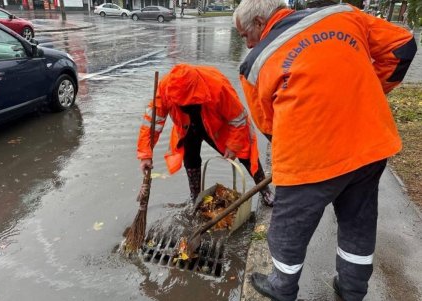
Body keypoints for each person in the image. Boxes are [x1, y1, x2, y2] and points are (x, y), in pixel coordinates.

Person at [233, 1, 417, 300]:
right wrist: (367, 92)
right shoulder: (343, 15)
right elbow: (403, 47)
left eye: (244, 35)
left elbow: (270, 126)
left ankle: (282, 288)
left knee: (287, 230)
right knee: (358, 222)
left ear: (258, 21)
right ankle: (351, 290)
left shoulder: (254, 64)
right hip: (369, 147)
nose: (247, 42)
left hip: (308, 160)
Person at [137, 63, 274, 205]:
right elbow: (152, 123)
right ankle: (195, 197)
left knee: (245, 154)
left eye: (190, 104)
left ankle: (264, 189)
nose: (186, 107)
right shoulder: (165, 88)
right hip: (187, 126)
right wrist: (145, 154)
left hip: (217, 125)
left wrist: (233, 146)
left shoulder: (218, 87)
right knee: (190, 159)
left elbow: (238, 119)